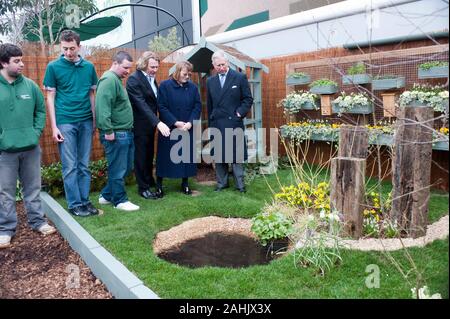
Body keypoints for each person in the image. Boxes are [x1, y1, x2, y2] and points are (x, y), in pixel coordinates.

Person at [0, 43, 56, 249]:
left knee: (32, 188)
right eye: (16, 61)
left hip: (30, 148)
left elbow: (40, 111)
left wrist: (35, 132)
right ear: (3, 63)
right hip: (5, 151)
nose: (21, 64)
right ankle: (5, 229)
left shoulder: (30, 86)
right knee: (4, 191)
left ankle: (38, 222)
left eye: (21, 60)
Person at [43, 30, 99, 217]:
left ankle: (85, 201)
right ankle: (74, 204)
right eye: (65, 48)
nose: (68, 52)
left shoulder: (89, 67)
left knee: (84, 165)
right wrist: (54, 126)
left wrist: (94, 120)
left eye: (72, 48)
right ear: (61, 46)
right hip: (65, 121)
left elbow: (92, 94)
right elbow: (50, 97)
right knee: (70, 166)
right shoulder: (53, 67)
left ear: (79, 46)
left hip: (85, 121)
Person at [95, 51, 139, 211]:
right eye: (125, 67)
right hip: (116, 133)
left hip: (124, 132)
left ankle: (106, 196)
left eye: (129, 68)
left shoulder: (116, 80)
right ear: (115, 63)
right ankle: (120, 201)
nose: (128, 71)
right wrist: (108, 130)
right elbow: (102, 107)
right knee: (118, 168)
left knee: (126, 166)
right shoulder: (108, 80)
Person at [206, 50, 253, 193]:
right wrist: (211, 121)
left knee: (236, 155)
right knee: (219, 155)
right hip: (217, 123)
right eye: (218, 65)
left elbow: (248, 99)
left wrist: (239, 113)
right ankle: (222, 183)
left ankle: (240, 185)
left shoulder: (239, 77)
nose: (221, 67)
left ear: (227, 62)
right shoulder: (210, 81)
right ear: (213, 65)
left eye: (223, 64)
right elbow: (210, 104)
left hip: (234, 122)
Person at [126, 51, 170, 200]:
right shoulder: (134, 80)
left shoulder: (151, 78)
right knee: (141, 156)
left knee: (149, 153)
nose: (155, 70)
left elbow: (154, 101)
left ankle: (149, 180)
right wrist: (158, 122)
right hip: (140, 125)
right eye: (152, 66)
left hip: (150, 125)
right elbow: (142, 105)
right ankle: (142, 188)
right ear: (144, 64)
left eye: (157, 67)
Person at [155, 61, 202, 196]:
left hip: (187, 127)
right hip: (170, 128)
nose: (187, 76)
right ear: (177, 72)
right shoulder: (165, 86)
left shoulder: (193, 87)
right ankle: (159, 185)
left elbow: (197, 106)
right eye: (185, 74)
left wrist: (191, 122)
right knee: (164, 158)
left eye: (189, 74)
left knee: (185, 157)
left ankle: (185, 184)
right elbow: (161, 107)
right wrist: (175, 122)